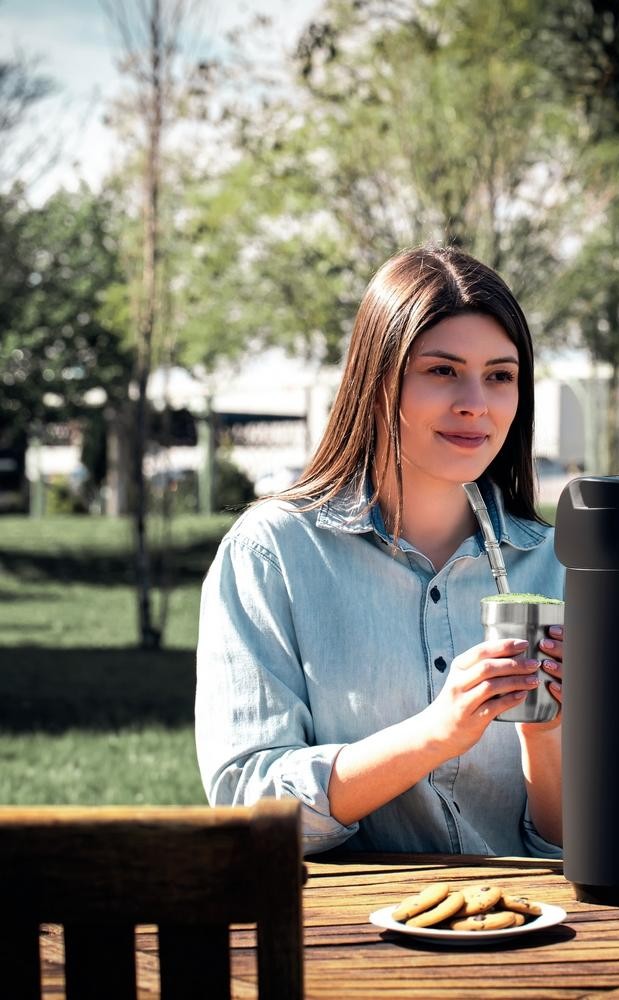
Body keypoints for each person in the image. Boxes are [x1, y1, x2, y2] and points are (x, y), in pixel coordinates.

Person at [195, 245, 565, 858]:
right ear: (376, 382)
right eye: (442, 370)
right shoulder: (272, 554)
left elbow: (581, 843)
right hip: (340, 917)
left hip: (529, 913)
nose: (476, 402)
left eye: (500, 376)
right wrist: (433, 734)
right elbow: (247, 806)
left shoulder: (559, 567)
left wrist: (547, 738)